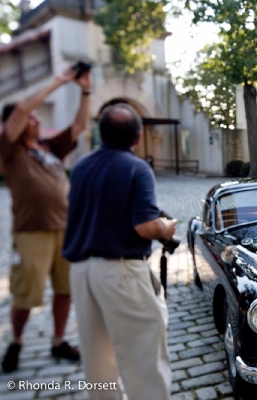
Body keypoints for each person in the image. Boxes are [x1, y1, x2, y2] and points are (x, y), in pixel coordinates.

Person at [62, 103, 177, 399]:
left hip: (81, 273)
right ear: (137, 138)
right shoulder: (137, 167)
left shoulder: (81, 167)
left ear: (101, 134)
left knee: (98, 363)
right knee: (144, 360)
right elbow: (144, 226)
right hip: (121, 272)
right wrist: (165, 228)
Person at [0, 64, 92, 372]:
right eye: (32, 118)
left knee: (65, 290)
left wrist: (85, 89)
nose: (37, 119)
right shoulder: (10, 150)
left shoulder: (49, 149)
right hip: (31, 233)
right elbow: (24, 108)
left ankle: (57, 340)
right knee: (26, 295)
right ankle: (16, 341)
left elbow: (79, 126)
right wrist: (59, 81)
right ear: (18, 123)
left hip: (65, 231)